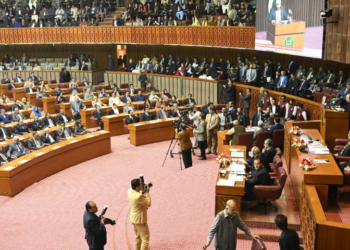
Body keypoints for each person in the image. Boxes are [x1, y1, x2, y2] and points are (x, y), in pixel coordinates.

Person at [128, 178, 151, 250]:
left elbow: (137, 194)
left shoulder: (129, 191)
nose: (142, 185)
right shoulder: (139, 196)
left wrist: (142, 191)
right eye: (141, 185)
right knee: (145, 239)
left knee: (138, 236)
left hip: (134, 218)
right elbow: (148, 204)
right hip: (140, 221)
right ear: (137, 187)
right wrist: (147, 193)